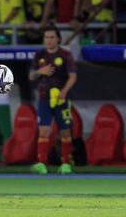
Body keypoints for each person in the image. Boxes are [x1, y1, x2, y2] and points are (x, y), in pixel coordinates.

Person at [29, 24, 77, 175]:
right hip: (44, 98)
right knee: (44, 130)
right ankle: (42, 163)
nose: (49, 40)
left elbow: (73, 76)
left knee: (65, 132)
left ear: (58, 39)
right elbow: (31, 76)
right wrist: (39, 71)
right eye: (46, 37)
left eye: (52, 37)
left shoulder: (65, 55)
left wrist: (64, 91)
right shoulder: (39, 55)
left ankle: (66, 164)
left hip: (62, 99)